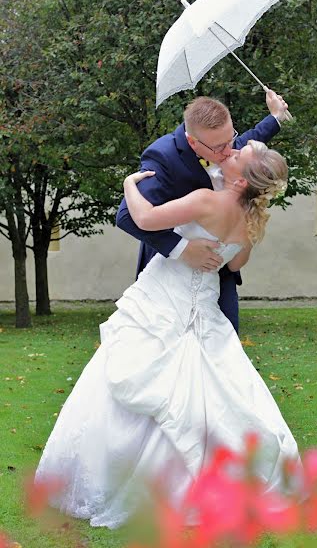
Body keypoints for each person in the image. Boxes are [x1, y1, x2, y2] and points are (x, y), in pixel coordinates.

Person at [35, 140, 299, 530]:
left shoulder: (206, 201)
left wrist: (128, 185)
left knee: (138, 380)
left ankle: (131, 481)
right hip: (202, 305)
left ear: (242, 179)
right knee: (213, 387)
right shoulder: (247, 220)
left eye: (238, 155)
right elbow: (235, 262)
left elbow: (144, 218)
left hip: (164, 298)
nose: (232, 151)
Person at [116, 90, 289, 332]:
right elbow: (127, 217)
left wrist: (276, 117)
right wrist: (182, 248)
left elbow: (253, 149)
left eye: (232, 139)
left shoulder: (228, 150)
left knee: (219, 354)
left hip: (218, 278)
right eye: (222, 146)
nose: (230, 150)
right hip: (171, 275)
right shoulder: (162, 156)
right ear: (193, 142)